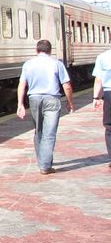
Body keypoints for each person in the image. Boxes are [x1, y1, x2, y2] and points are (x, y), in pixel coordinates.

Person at [16, 39, 75, 174]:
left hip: (34, 99)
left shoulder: (28, 64)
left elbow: (22, 85)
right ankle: (45, 166)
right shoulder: (57, 64)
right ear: (50, 51)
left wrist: (20, 104)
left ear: (36, 50)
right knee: (49, 133)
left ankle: (42, 161)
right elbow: (66, 86)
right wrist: (70, 102)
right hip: (52, 99)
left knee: (39, 131)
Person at [91, 45, 111, 169]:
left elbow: (98, 80)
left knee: (109, 127)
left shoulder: (103, 57)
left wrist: (96, 98)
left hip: (109, 94)